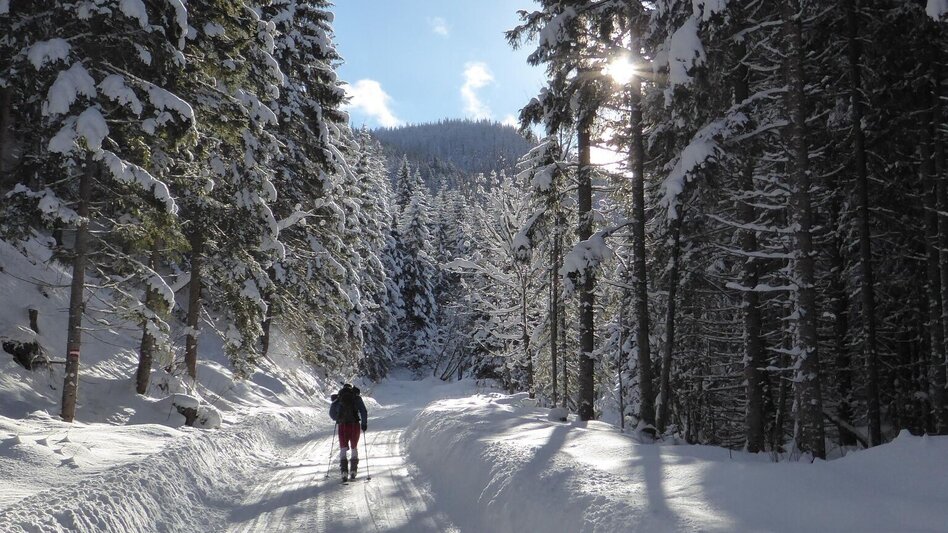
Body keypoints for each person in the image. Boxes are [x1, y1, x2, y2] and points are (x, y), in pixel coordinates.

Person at [329, 383, 368, 481]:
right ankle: (353, 471)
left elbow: (332, 414)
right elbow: (363, 411)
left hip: (343, 425)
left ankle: (344, 472)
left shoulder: (339, 398)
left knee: (343, 448)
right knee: (354, 447)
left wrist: (337, 419)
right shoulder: (356, 398)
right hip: (355, 425)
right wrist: (364, 424)